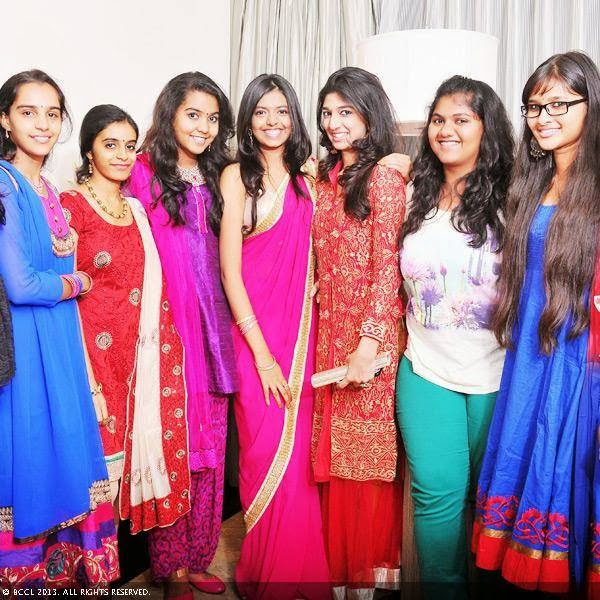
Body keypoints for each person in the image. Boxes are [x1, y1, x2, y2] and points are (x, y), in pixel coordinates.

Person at [472, 51, 600, 594]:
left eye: (558, 105)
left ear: (591, 105)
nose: (543, 118)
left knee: (568, 465)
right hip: (529, 350)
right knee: (523, 454)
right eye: (534, 107)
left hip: (578, 357)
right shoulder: (531, 179)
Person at [395, 75, 514, 599]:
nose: (446, 130)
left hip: (500, 375)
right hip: (426, 370)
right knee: (437, 498)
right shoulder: (410, 193)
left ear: (487, 128)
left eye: (461, 120)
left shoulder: (517, 196)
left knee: (492, 506)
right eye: (438, 120)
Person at [0, 70, 118, 587]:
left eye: (52, 113)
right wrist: (78, 281)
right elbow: (21, 284)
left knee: (65, 448)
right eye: (28, 112)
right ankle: (21, 576)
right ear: (5, 120)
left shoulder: (48, 187)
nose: (43, 124)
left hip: (61, 342)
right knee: (29, 450)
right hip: (26, 345)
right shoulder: (3, 183)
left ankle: (62, 572)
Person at [126, 72, 238, 597]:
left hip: (216, 331)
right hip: (167, 332)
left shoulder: (223, 176)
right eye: (193, 114)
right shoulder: (142, 172)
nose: (204, 127)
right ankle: (169, 567)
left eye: (213, 118)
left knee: (211, 449)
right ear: (170, 113)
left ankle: (198, 558)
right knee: (173, 446)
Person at [220, 74, 330, 600]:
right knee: (263, 453)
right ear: (247, 120)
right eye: (261, 111)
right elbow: (230, 272)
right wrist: (262, 356)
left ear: (294, 118)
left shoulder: (312, 176)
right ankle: (265, 575)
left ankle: (301, 576)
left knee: (299, 464)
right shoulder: (236, 178)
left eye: (282, 111)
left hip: (303, 335)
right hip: (254, 339)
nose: (272, 121)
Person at [60, 105, 189, 532]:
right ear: (89, 150)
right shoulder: (71, 207)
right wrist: (88, 378)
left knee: (115, 486)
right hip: (91, 363)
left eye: (130, 146)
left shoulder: (136, 208)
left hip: (136, 362)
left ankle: (107, 564)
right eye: (110, 144)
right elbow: (63, 296)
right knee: (89, 480)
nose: (122, 155)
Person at [311, 66, 406, 599]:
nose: (334, 123)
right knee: (336, 456)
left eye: (346, 111)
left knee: (365, 462)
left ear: (370, 114)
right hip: (329, 335)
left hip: (370, 342)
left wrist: (368, 346)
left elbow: (388, 267)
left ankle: (367, 580)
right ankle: (337, 575)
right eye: (328, 113)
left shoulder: (383, 179)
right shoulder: (325, 180)